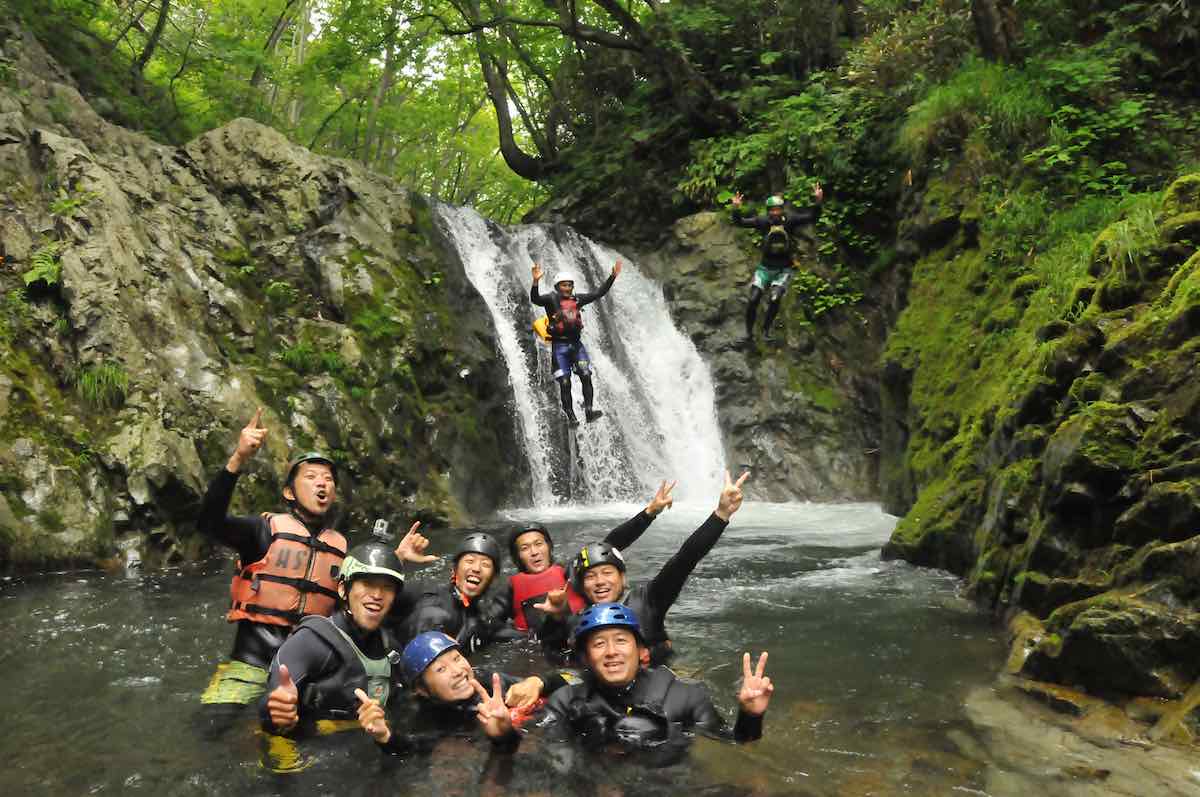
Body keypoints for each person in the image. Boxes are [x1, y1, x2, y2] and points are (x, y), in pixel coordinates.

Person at [196, 408, 434, 721]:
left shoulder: (342, 548)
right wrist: (238, 458)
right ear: (288, 491)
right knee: (212, 726)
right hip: (251, 663)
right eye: (310, 477)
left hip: (311, 665)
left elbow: (362, 595)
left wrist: (397, 558)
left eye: (328, 479)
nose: (321, 484)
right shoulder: (262, 531)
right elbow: (207, 522)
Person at [539, 471, 750, 665]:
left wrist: (721, 515)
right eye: (591, 577)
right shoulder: (576, 621)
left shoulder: (648, 601)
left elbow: (684, 560)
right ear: (582, 585)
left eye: (607, 573)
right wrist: (554, 621)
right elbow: (555, 657)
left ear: (622, 578)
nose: (600, 581)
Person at [537, 602, 773, 751]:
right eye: (599, 644)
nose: (611, 652)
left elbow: (737, 743)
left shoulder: (686, 696)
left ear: (642, 652)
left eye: (621, 640)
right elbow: (541, 753)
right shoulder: (566, 701)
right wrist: (502, 735)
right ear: (586, 658)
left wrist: (751, 715)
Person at [259, 539, 407, 735]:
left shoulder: (391, 649)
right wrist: (276, 712)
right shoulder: (309, 642)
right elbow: (271, 703)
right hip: (304, 748)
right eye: (368, 583)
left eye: (387, 587)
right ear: (343, 589)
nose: (378, 594)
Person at [494, 480, 677, 636]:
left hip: (582, 641)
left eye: (539, 544)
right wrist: (521, 636)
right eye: (525, 548)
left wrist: (649, 513)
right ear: (517, 556)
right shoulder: (509, 589)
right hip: (540, 652)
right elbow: (487, 624)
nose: (534, 552)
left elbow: (611, 544)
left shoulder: (571, 572)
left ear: (549, 548)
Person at [355, 631, 552, 755]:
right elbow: (411, 746)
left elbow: (574, 678)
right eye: (441, 669)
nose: (458, 671)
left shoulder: (488, 682)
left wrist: (538, 682)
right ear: (422, 690)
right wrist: (385, 737)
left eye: (457, 659)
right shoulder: (427, 719)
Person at [529, 259, 622, 427]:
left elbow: (598, 293)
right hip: (560, 347)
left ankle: (589, 411)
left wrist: (612, 276)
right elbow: (535, 299)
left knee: (586, 375)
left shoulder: (577, 299)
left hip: (576, 345)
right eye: (564, 285)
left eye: (570, 285)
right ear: (557, 287)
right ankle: (571, 417)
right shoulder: (551, 299)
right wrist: (536, 281)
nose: (568, 288)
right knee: (565, 383)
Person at [731, 184, 824, 343]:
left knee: (775, 298)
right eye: (772, 210)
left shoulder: (790, 220)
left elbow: (812, 217)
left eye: (778, 209)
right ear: (768, 211)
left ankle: (766, 331)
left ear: (782, 209)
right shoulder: (762, 221)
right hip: (764, 269)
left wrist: (818, 201)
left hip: (784, 270)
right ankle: (748, 334)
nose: (775, 212)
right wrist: (736, 209)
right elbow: (740, 222)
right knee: (753, 299)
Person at [401, 532, 507, 653]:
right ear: (454, 570)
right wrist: (399, 558)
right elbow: (381, 592)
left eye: (485, 564)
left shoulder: (483, 620)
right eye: (470, 561)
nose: (477, 568)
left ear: (493, 579)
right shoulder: (424, 591)